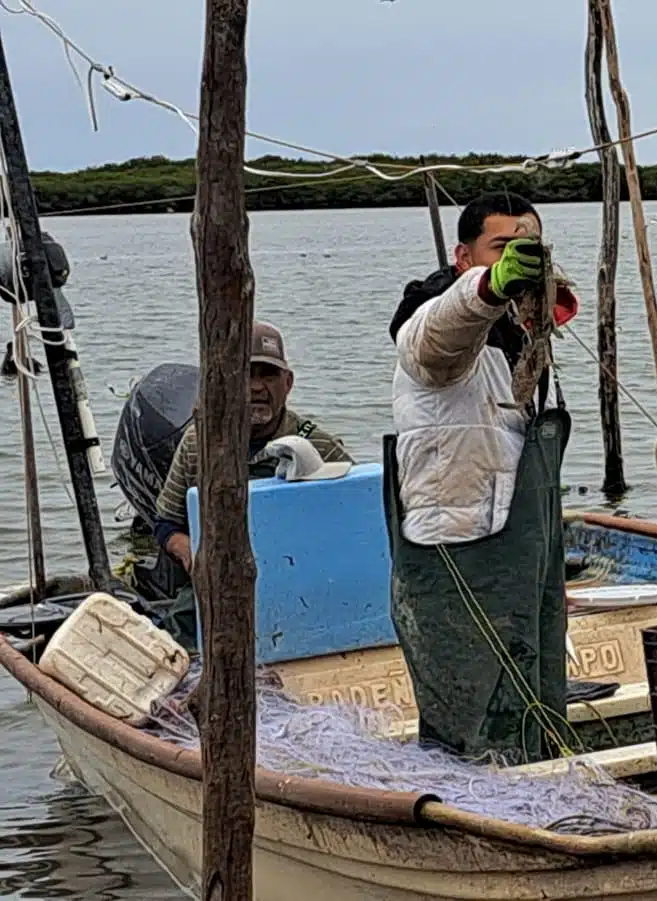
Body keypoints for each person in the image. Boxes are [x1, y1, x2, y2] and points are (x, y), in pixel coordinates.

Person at [384, 191, 579, 765]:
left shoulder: (523, 343)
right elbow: (439, 330)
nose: (520, 260)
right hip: (457, 548)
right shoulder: (440, 335)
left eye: (530, 250)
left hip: (523, 557)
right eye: (502, 248)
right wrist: (490, 289)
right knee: (468, 707)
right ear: (464, 256)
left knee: (536, 690)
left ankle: (539, 775)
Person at [151, 321, 351, 643]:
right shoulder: (197, 443)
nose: (257, 387)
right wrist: (190, 552)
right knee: (173, 643)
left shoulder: (319, 446)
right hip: (216, 587)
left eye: (268, 375)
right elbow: (165, 521)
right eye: (247, 374)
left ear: (287, 383)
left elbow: (355, 519)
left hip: (299, 585)